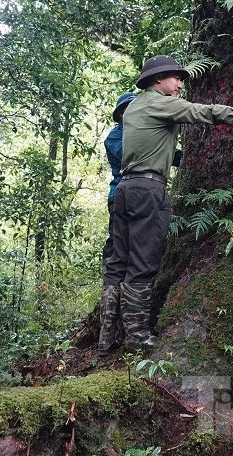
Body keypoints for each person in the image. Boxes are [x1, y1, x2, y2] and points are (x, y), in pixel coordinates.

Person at [107, 55, 233, 351]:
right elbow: (205, 112)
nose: (179, 84)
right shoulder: (161, 103)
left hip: (124, 189)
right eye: (175, 78)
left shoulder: (134, 107)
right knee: (142, 265)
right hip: (148, 191)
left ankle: (106, 336)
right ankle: (136, 339)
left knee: (117, 264)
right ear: (157, 80)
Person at [97, 92, 136, 355]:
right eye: (128, 110)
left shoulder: (143, 132)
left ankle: (131, 329)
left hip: (141, 196)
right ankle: (106, 335)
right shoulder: (115, 135)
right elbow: (129, 155)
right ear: (121, 114)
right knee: (117, 256)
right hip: (119, 196)